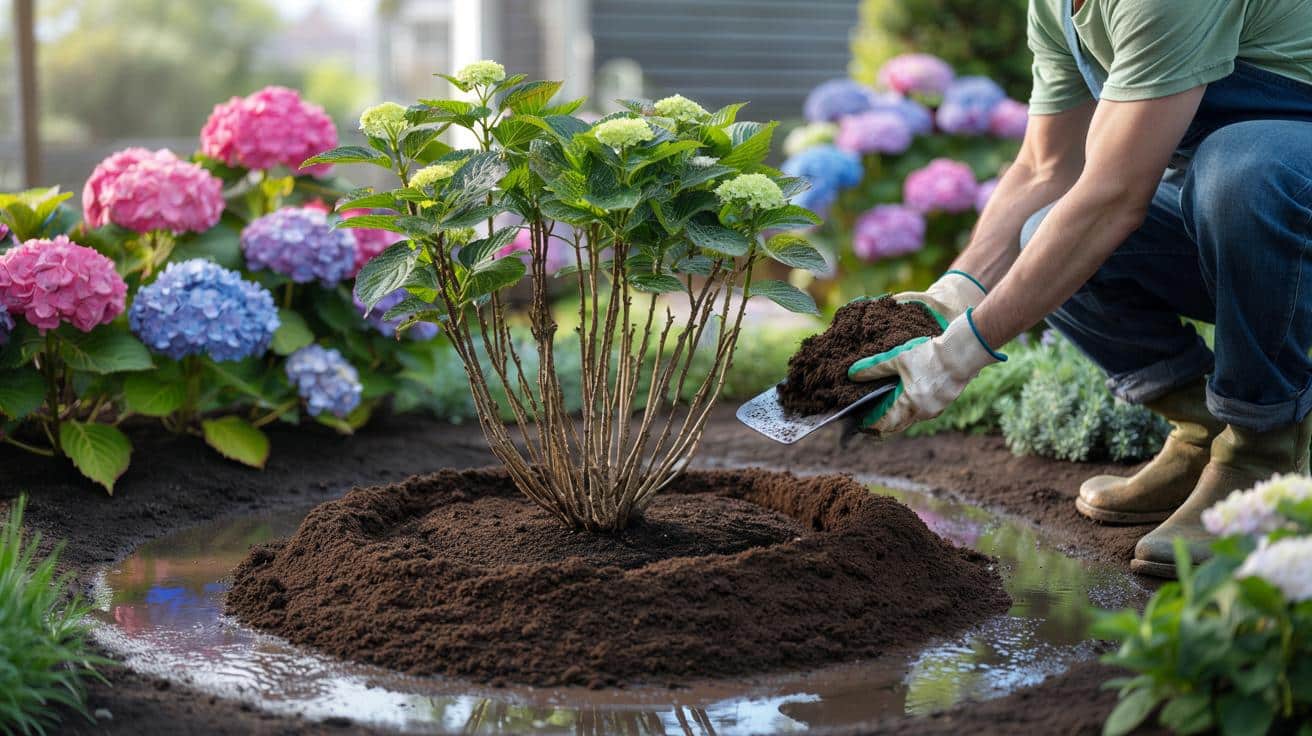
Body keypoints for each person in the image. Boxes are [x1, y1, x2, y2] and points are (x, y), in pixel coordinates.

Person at [850, 0, 1312, 577]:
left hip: (1277, 197)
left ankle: (1261, 453)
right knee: (1044, 231)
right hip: (1248, 216)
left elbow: (1113, 197)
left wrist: (958, 357)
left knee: (1240, 171)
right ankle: (1204, 432)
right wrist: (952, 297)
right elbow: (1045, 169)